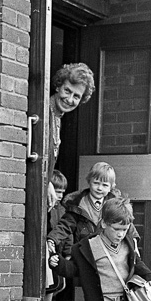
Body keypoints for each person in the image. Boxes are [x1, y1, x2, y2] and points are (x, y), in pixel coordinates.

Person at [48, 161, 122, 301]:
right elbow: (65, 225)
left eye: (105, 185)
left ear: (111, 187)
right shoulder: (78, 205)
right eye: (96, 183)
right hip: (85, 252)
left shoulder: (114, 205)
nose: (100, 188)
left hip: (106, 253)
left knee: (104, 288)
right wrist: (52, 239)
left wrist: (133, 241)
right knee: (95, 287)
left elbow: (125, 224)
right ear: (89, 182)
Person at [47, 62, 95, 209]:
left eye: (76, 96)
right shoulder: (45, 112)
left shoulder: (57, 116)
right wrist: (46, 183)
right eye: (67, 91)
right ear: (58, 86)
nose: (69, 99)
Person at [44, 170, 68, 301]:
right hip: (46, 250)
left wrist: (67, 252)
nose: (59, 196)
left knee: (58, 284)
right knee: (50, 285)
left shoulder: (61, 209)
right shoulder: (47, 207)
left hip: (56, 251)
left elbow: (67, 232)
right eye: (57, 191)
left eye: (62, 192)